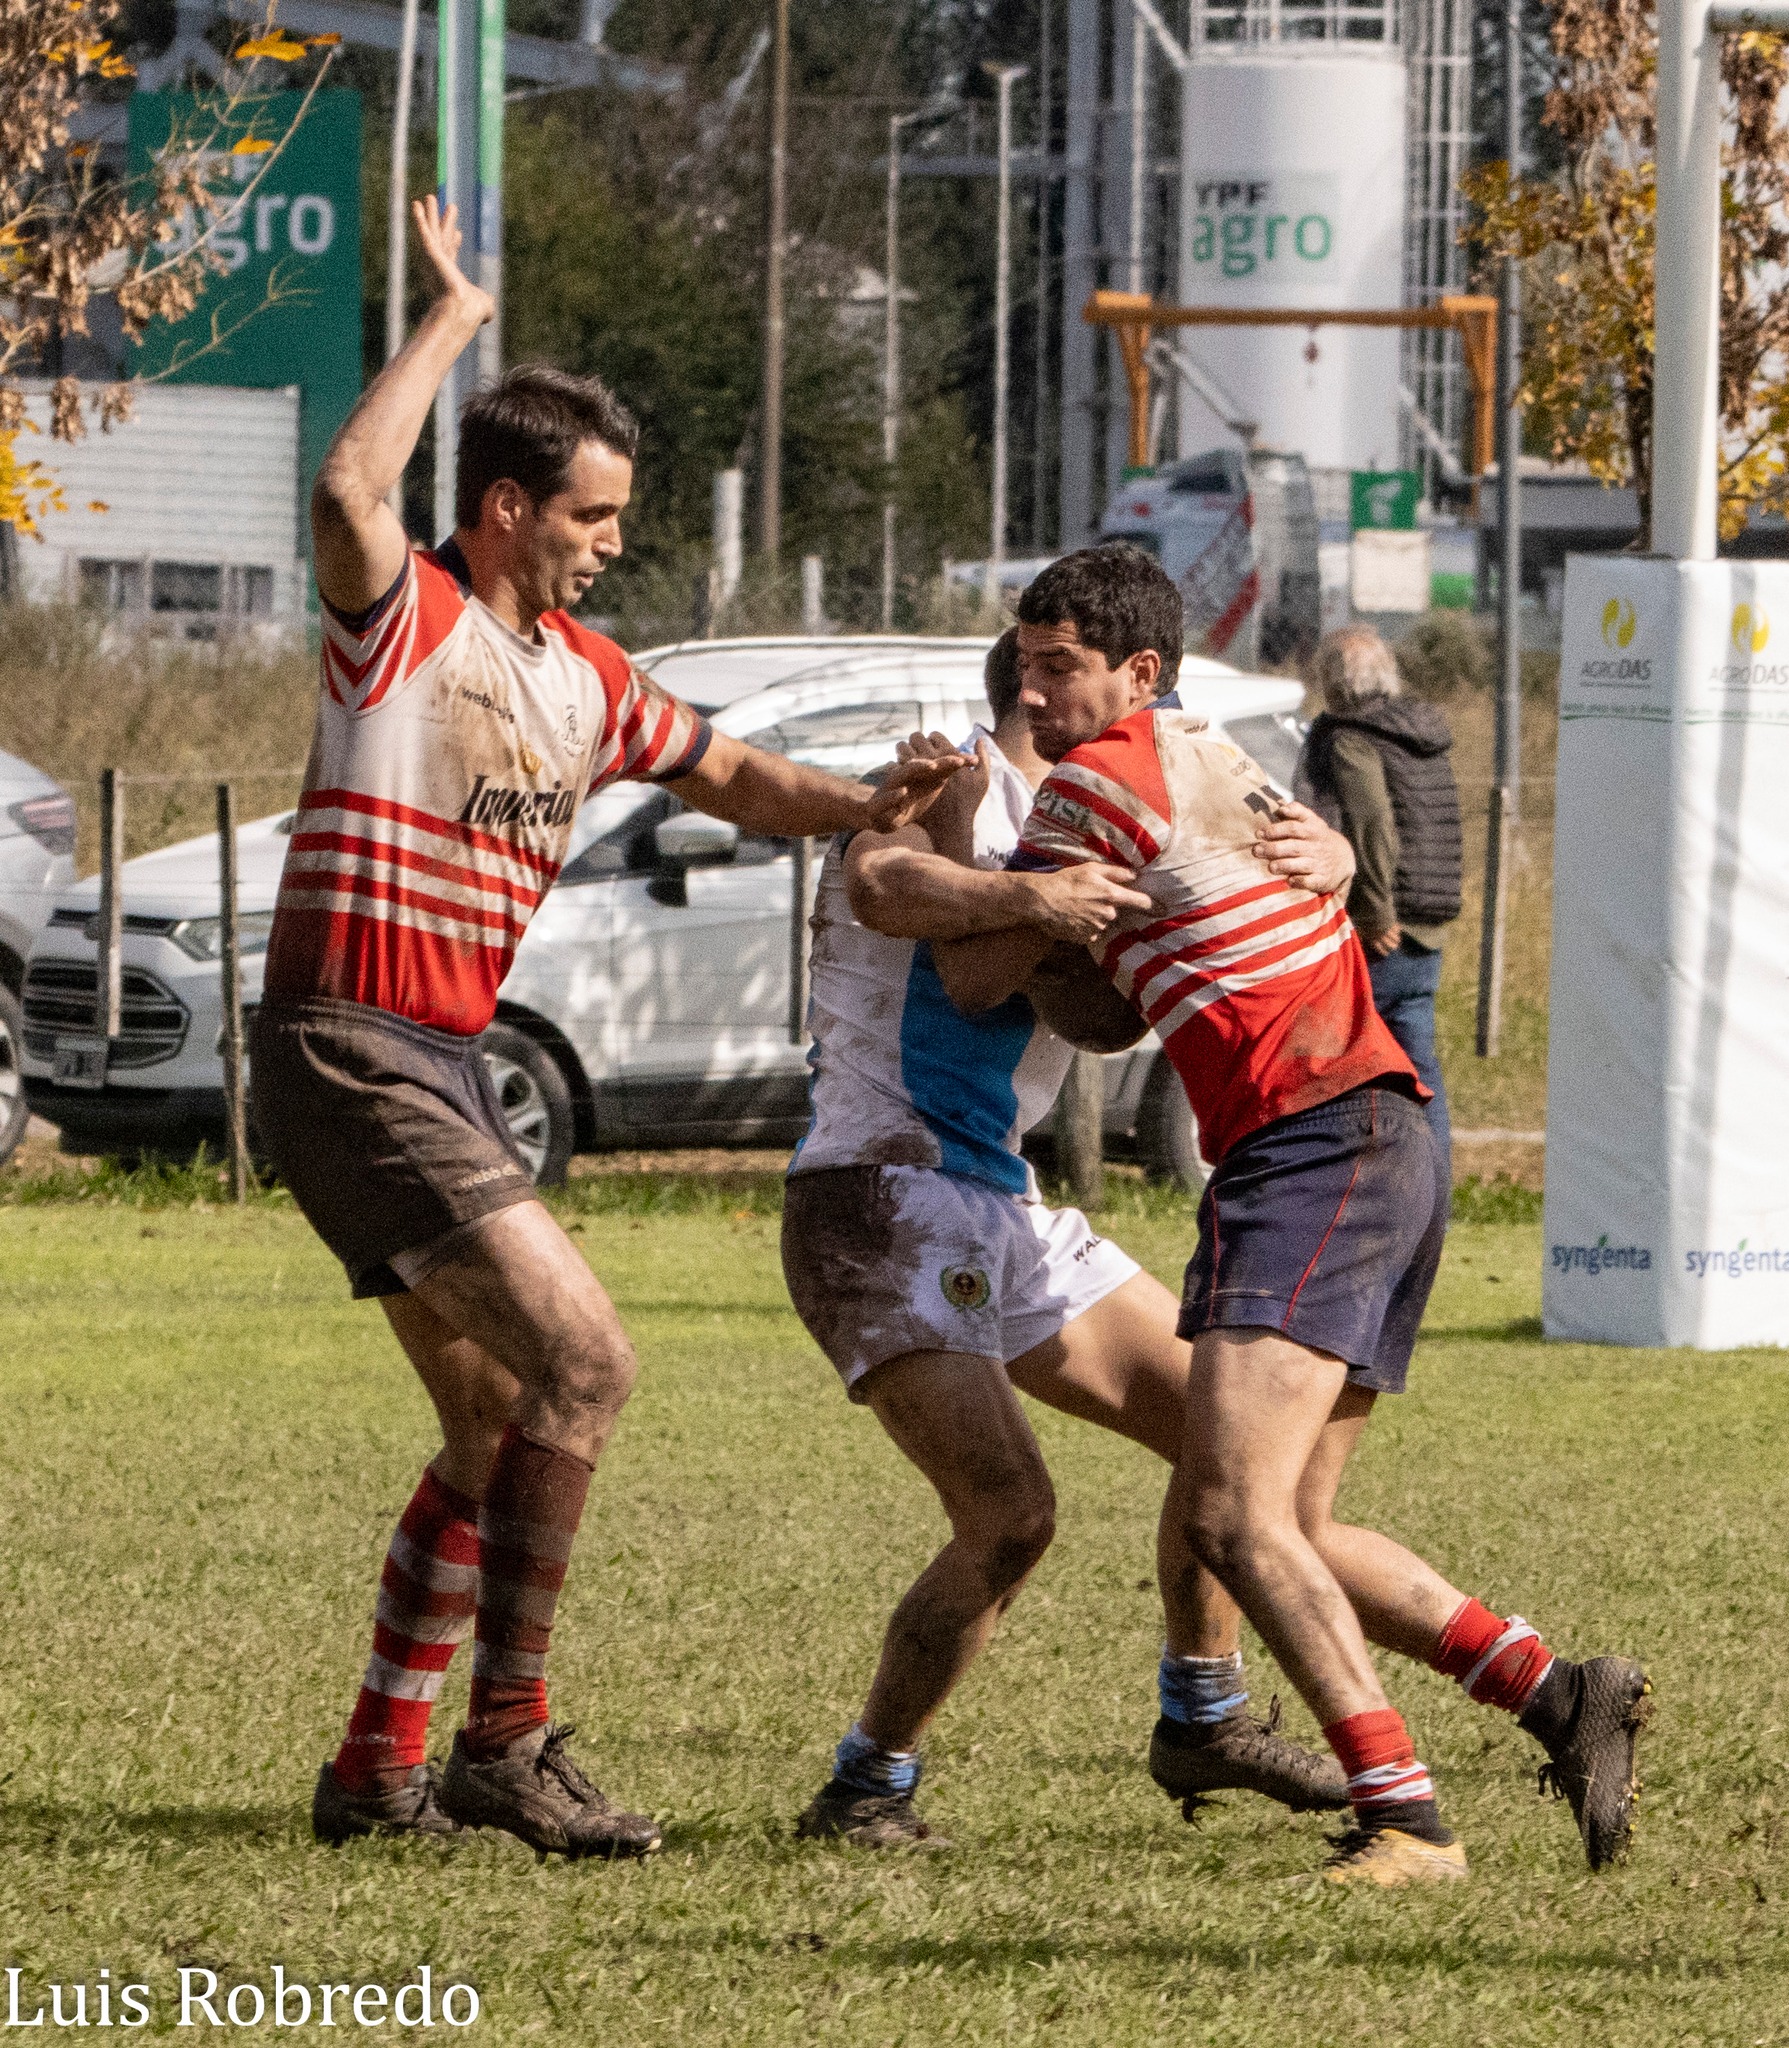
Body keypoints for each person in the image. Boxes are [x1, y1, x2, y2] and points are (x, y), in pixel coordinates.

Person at [255, 197, 964, 1859]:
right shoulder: (405, 622)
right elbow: (350, 490)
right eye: (590, 513)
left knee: (492, 1417)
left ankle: (373, 1773)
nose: (610, 540)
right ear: (504, 508)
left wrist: (870, 794)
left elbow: (733, 774)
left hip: (430, 1061)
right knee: (587, 1363)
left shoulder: (582, 670)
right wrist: (451, 319)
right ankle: (505, 1742)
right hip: (351, 1044)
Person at [924, 544, 1649, 1887]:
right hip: (1381, 1134)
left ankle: (1407, 1819)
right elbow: (1120, 1000)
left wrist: (940, 865)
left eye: (1058, 664)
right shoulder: (1205, 746)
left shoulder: (1092, 782)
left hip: (1309, 1147)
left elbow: (977, 977)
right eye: (1021, 664)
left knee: (1231, 1519)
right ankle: (1559, 1695)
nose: (1032, 692)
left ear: (1136, 671)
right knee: (1293, 1527)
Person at [781, 631, 1358, 1847]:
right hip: (877, 1197)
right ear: (1048, 702)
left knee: (1222, 1435)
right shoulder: (939, 788)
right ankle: (863, 1785)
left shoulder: (1089, 825)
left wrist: (1328, 856)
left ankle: (1202, 1714)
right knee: (1011, 1514)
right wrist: (1033, 899)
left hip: (997, 1200)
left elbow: (1095, 1020)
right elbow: (881, 885)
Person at [1294, 625, 1462, 1187]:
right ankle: (1432, 1186)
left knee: (1358, 1066)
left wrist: (1375, 910)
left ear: (1332, 680)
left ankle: (1374, 1187)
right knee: (1420, 1065)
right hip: (1428, 923)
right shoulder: (1415, 733)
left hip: (1382, 927)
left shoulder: (1350, 737)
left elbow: (1371, 825)